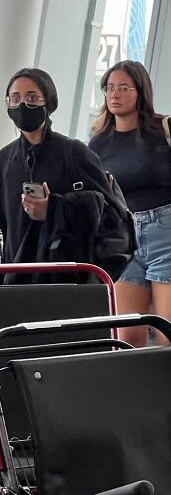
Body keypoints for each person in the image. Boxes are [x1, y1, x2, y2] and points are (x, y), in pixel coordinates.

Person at [0, 67, 119, 283]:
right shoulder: (3, 161)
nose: (22, 105)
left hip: (67, 280)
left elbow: (111, 213)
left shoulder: (74, 153)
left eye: (32, 98)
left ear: (47, 102)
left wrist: (55, 208)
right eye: (15, 98)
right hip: (16, 280)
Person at [89, 60, 171, 347]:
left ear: (140, 92)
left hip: (166, 232)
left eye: (124, 87)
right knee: (126, 337)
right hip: (126, 239)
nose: (115, 94)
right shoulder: (98, 143)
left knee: (166, 334)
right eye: (110, 87)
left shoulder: (164, 130)